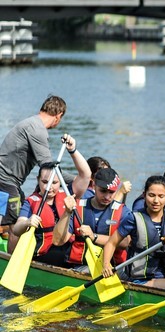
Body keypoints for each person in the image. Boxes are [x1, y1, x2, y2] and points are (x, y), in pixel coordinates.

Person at [0, 96, 80, 227]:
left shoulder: (31, 123)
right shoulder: (37, 129)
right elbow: (49, 169)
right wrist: (77, 179)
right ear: (58, 116)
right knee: (14, 224)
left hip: (7, 181)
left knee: (19, 211)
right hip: (6, 181)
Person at [102, 175, 165, 289]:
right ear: (144, 195)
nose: (156, 201)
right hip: (142, 279)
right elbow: (111, 243)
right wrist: (106, 265)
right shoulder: (133, 218)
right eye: (151, 195)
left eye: (161, 196)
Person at [57, 167, 132, 272]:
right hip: (82, 266)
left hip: (114, 268)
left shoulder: (123, 211)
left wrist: (94, 237)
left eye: (111, 192)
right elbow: (58, 241)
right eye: (103, 191)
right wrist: (66, 213)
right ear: (93, 185)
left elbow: (125, 242)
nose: (107, 197)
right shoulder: (77, 207)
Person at [10, 162, 74, 267]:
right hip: (43, 253)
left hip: (66, 246)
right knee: (60, 254)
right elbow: (16, 229)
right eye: (45, 182)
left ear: (60, 182)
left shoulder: (67, 196)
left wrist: (73, 153)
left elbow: (85, 176)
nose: (49, 187)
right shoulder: (31, 202)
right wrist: (27, 222)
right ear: (38, 180)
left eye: (54, 182)